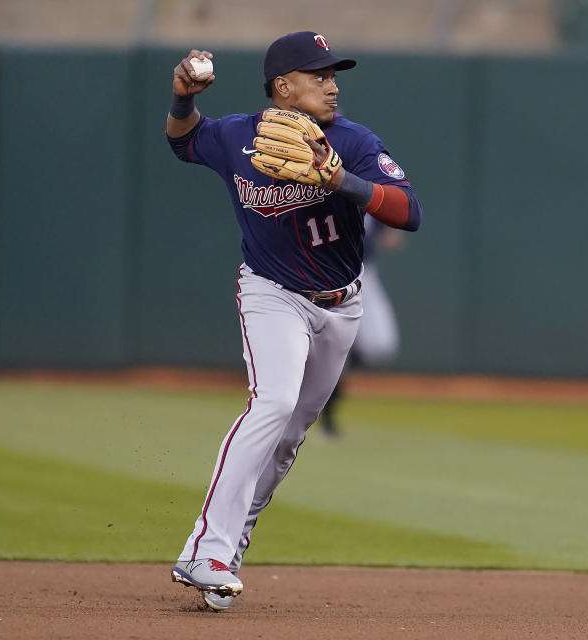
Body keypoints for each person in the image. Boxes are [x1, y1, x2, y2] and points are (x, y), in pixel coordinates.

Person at [164, 31, 422, 612]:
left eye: (334, 75)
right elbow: (184, 142)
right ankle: (207, 548)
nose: (332, 86)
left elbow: (410, 212)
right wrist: (183, 99)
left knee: (287, 441)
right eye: (319, 75)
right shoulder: (237, 135)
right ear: (284, 87)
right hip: (272, 293)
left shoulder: (352, 142)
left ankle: (232, 545)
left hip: (342, 303)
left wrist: (341, 181)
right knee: (272, 403)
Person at [320, 216, 404, 438]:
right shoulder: (326, 194)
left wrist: (391, 226)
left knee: (382, 345)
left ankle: (345, 355)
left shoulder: (365, 194)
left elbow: (392, 238)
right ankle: (326, 414)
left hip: (365, 276)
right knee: (332, 353)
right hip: (330, 276)